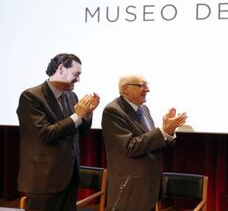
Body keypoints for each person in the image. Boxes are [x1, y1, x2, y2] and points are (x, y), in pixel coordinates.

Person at [16, 53, 100, 211]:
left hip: (69, 177)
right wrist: (77, 116)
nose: (78, 80)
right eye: (76, 74)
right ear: (61, 69)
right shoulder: (31, 97)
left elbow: (82, 131)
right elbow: (46, 134)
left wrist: (87, 114)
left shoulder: (71, 96)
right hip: (44, 180)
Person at [102, 74, 187, 211]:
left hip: (148, 185)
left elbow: (152, 143)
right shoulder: (113, 111)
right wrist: (162, 131)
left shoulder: (143, 109)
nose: (147, 90)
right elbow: (130, 147)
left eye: (147, 86)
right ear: (125, 89)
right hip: (129, 188)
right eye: (142, 85)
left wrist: (168, 133)